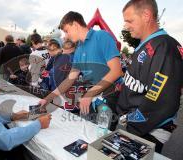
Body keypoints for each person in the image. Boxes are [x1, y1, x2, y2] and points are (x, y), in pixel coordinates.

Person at [117, 0, 183, 153]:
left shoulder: (164, 47)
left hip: (148, 129)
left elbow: (161, 100)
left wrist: (129, 122)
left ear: (146, 15)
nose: (126, 26)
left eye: (129, 20)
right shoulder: (147, 44)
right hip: (135, 125)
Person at [39, 11, 122, 116]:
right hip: (92, 98)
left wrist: (89, 94)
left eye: (66, 31)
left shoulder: (101, 36)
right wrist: (47, 99)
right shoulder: (79, 48)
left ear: (75, 25)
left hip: (109, 97)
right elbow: (69, 79)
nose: (65, 36)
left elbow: (116, 71)